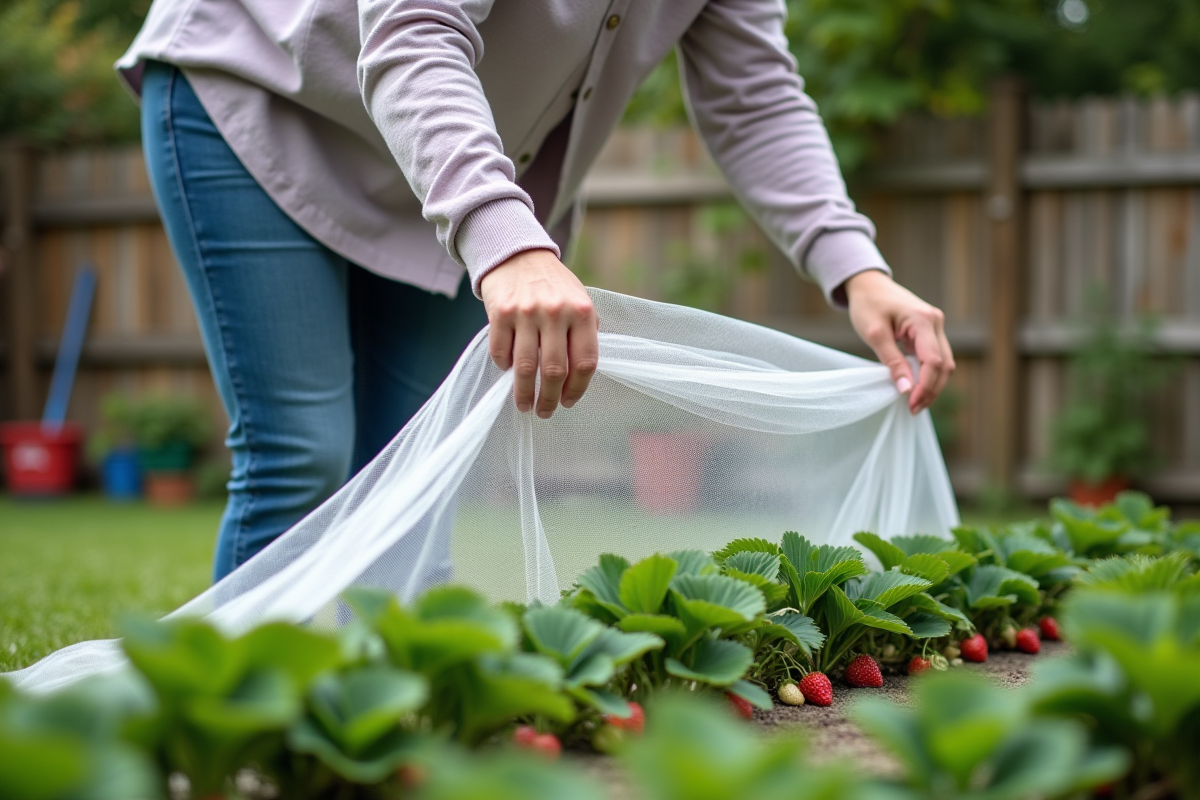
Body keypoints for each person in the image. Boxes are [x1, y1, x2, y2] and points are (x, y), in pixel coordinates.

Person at [118, 1, 955, 581]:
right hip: (257, 101)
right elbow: (415, 26)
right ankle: (238, 748)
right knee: (302, 456)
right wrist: (506, 240)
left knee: (413, 482)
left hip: (443, 169)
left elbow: (757, 97)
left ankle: (379, 739)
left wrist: (858, 270)